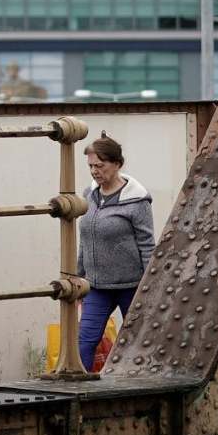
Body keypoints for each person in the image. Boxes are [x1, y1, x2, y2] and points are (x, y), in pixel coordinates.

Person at [74, 134, 155, 371]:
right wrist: (79, 277)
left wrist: (149, 286)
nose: (94, 171)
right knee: (83, 343)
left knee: (138, 344)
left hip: (131, 287)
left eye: (100, 165)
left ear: (117, 164)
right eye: (90, 166)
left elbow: (148, 245)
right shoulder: (89, 195)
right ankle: (80, 395)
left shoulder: (137, 200)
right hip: (96, 288)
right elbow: (85, 239)